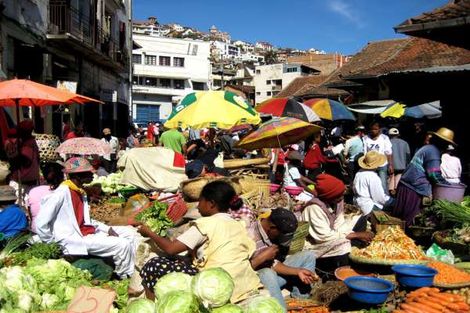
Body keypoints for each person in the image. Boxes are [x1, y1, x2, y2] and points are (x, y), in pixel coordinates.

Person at [136, 181, 262, 303]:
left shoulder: (205, 224)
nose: (197, 205)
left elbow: (171, 249)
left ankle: (151, 307)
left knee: (153, 265)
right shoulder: (237, 224)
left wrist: (149, 233)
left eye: (200, 201)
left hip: (213, 282)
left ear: (211, 203)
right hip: (241, 282)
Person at [36, 157, 136, 279]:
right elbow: (41, 223)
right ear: (78, 176)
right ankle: (125, 276)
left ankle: (131, 268)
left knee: (130, 233)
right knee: (122, 245)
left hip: (87, 230)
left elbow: (85, 220)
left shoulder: (80, 192)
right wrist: (53, 244)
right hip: (75, 238)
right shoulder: (60, 194)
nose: (93, 174)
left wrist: (106, 229)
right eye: (88, 173)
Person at [302, 173, 373, 280]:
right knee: (343, 245)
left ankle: (354, 251)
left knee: (359, 219)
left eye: (342, 195)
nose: (341, 198)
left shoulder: (337, 201)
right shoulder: (314, 209)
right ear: (328, 197)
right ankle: (334, 272)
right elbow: (324, 237)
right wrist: (353, 235)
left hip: (332, 232)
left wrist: (352, 235)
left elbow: (340, 223)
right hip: (316, 243)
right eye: (338, 197)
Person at [248, 208, 318, 309]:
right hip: (256, 284)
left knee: (308, 256)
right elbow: (239, 271)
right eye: (281, 235)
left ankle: (300, 302)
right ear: (272, 228)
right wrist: (261, 258)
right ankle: (281, 309)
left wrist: (298, 271)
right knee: (267, 272)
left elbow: (274, 264)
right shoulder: (249, 236)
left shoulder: (270, 234)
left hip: (273, 280)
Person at [391, 128, 454, 226]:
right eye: (446, 144)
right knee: (409, 221)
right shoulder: (433, 152)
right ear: (442, 143)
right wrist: (449, 187)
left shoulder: (428, 148)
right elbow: (434, 174)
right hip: (413, 189)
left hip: (406, 185)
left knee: (400, 220)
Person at [8, 119, 40, 206]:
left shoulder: (27, 146)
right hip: (30, 181)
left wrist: (14, 158)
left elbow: (26, 161)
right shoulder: (31, 143)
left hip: (22, 182)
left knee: (18, 206)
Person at [28, 162, 64, 233]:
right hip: (54, 232)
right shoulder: (63, 191)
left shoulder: (32, 191)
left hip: (35, 229)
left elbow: (31, 215)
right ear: (61, 176)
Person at [353, 151, 393, 216]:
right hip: (368, 207)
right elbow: (379, 198)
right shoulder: (373, 177)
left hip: (357, 203)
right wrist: (392, 201)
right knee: (393, 206)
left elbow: (354, 188)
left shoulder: (359, 173)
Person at [362, 122, 393, 194]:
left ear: (379, 129)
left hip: (382, 164)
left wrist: (390, 165)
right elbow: (364, 152)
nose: (373, 131)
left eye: (375, 129)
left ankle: (385, 199)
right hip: (370, 165)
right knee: (372, 183)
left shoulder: (384, 138)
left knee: (383, 184)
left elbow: (389, 152)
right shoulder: (365, 138)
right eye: (372, 129)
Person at [388, 128, 411, 195]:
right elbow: (408, 156)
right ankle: (396, 189)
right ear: (398, 134)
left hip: (391, 167)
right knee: (398, 179)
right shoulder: (405, 143)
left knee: (391, 180)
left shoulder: (387, 143)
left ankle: (391, 191)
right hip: (402, 167)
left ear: (389, 135)